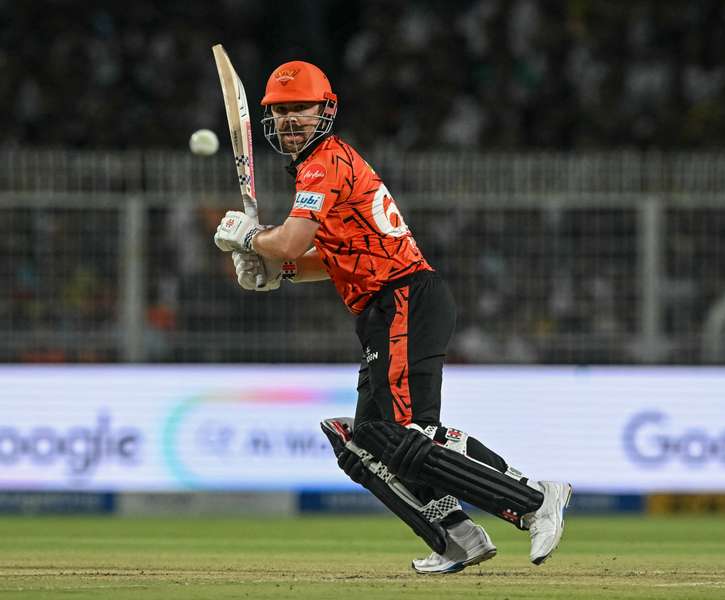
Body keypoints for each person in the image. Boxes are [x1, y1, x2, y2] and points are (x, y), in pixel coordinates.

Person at [213, 59, 572, 574]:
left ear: (325, 111)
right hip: (385, 307)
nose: (290, 120)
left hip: (403, 298)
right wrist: (280, 272)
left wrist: (250, 237)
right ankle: (454, 535)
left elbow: (289, 238)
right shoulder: (319, 167)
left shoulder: (323, 162)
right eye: (281, 111)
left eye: (300, 109)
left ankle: (534, 498)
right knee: (361, 440)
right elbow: (329, 257)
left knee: (407, 434)